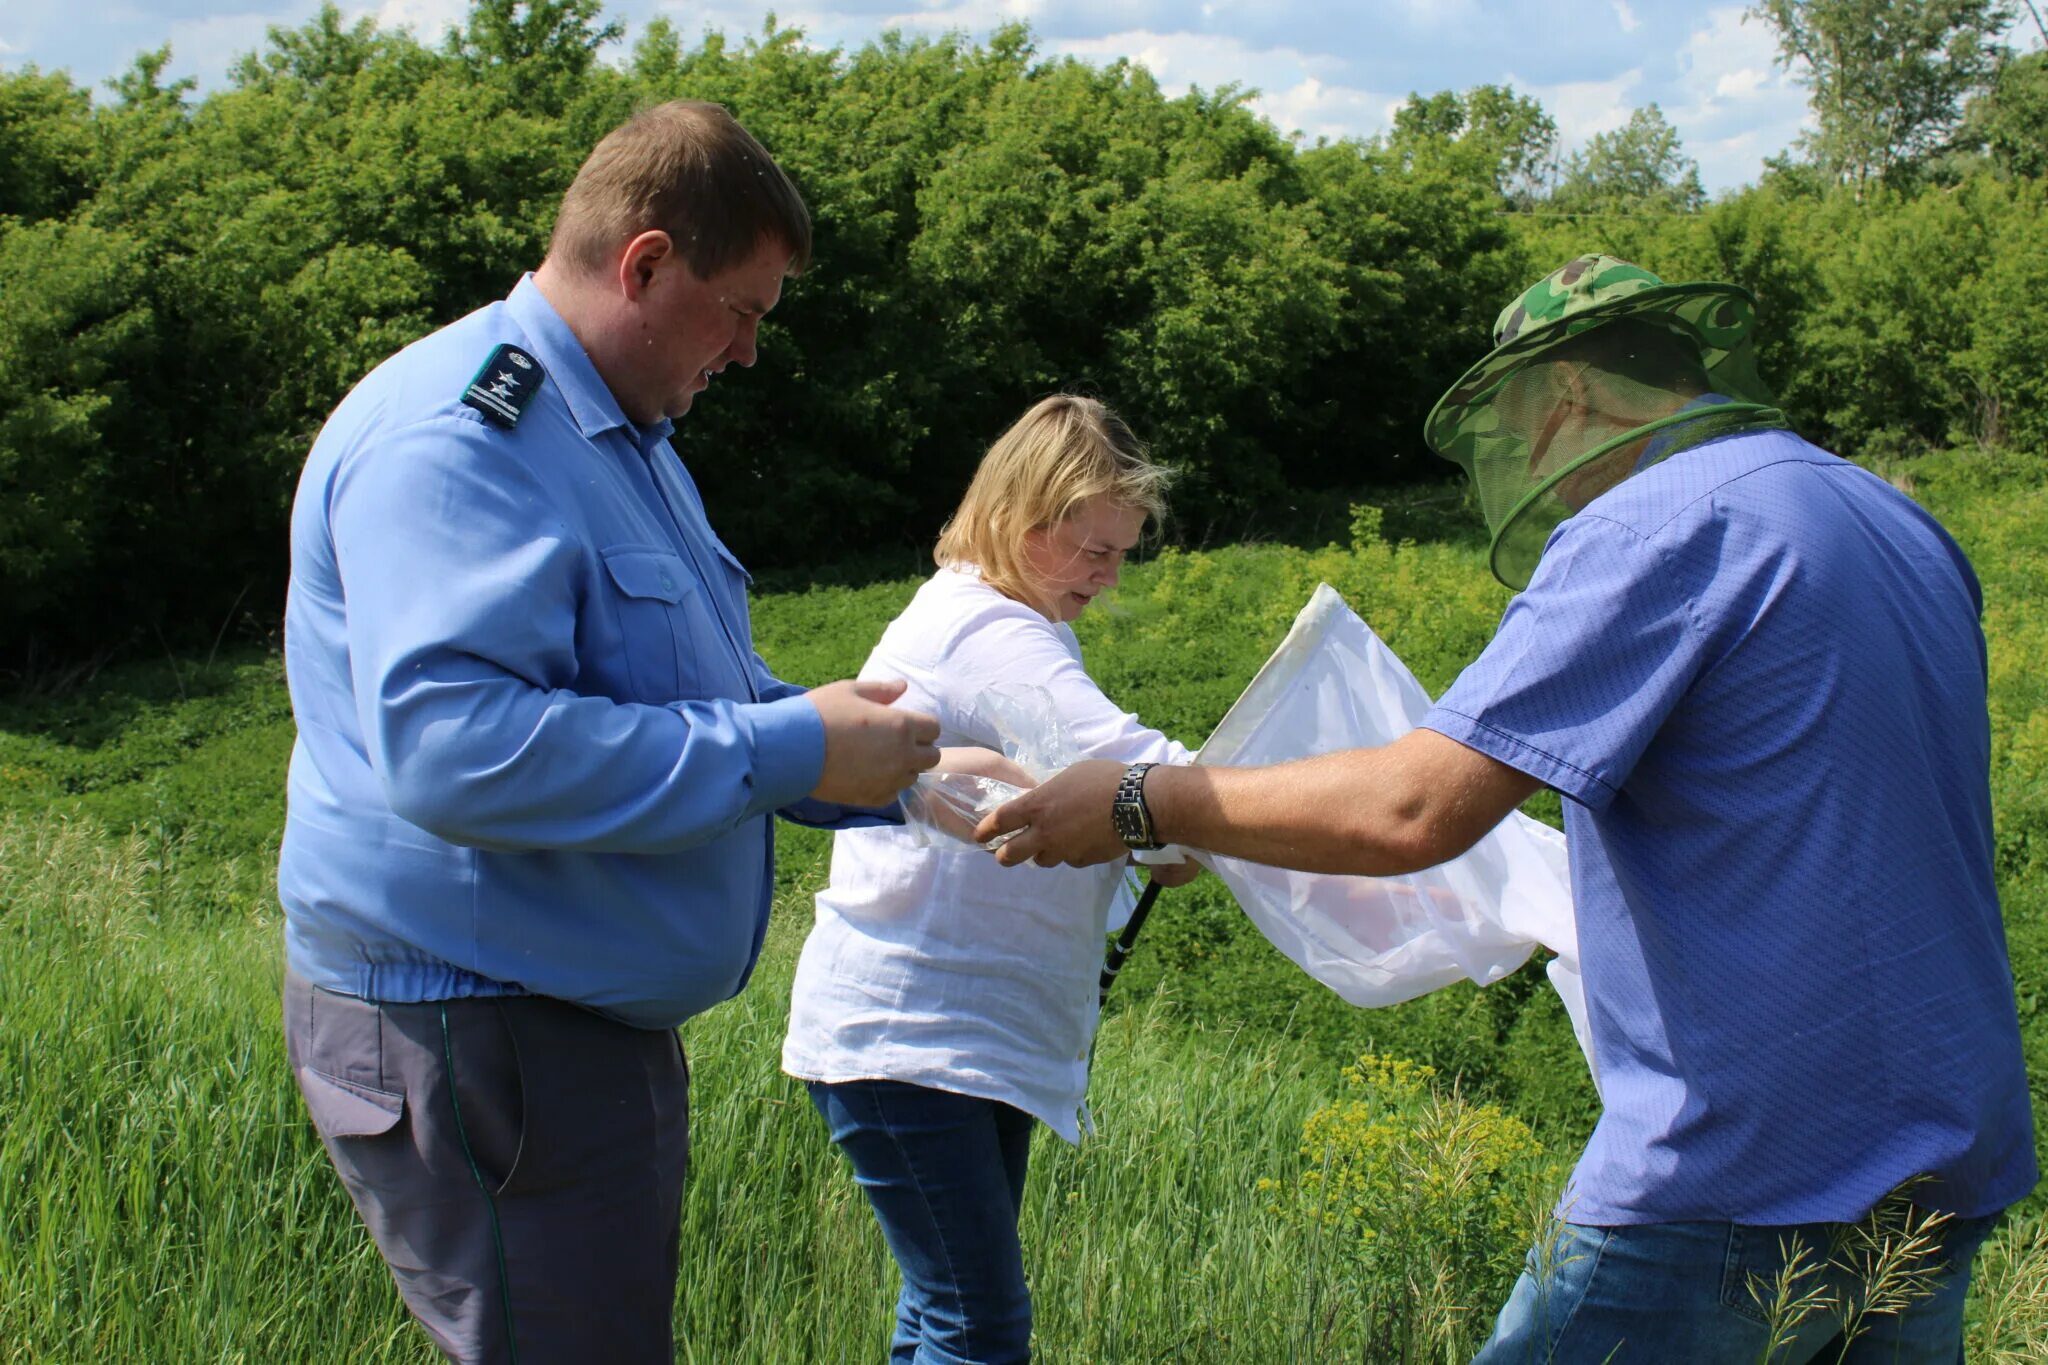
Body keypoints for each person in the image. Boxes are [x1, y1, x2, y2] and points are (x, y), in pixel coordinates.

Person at [979, 257, 2036, 1363]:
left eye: (1517, 420)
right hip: (1940, 1155)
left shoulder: (1654, 527)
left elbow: (1414, 809)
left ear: (1565, 397)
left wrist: (1143, 800)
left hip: (1741, 1169)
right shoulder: (1889, 519)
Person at [277, 101, 940, 1364]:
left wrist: (883, 768)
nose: (748, 354)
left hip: (548, 1026)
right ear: (643, 264)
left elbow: (679, 694)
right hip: (482, 1032)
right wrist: (790, 749)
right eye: (742, 313)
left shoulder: (616, 431)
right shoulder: (461, 442)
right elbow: (457, 749)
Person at [781, 394, 1200, 1365]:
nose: (1107, 573)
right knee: (979, 1325)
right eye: (1091, 549)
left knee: (941, 1317)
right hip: (913, 1036)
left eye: (1120, 552)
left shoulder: (1002, 619)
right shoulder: (989, 634)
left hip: (952, 1038)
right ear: (1021, 524)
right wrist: (1230, 815)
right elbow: (1137, 764)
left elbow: (1110, 795)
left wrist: (1155, 833)